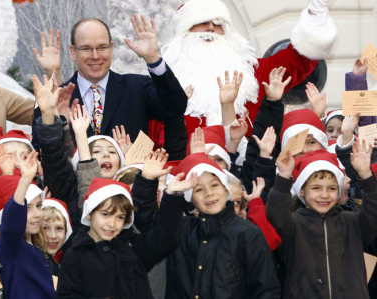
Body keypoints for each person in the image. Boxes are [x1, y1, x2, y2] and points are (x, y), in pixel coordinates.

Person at [162, 0, 337, 134]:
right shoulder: (164, 81)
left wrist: (316, 11)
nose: (211, 28)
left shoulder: (252, 73)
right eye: (202, 22)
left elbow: (298, 59)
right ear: (185, 31)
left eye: (217, 24)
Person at [31, 14, 188, 148]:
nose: (95, 56)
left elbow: (175, 107)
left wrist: (152, 58)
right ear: (73, 52)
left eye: (102, 47)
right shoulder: (54, 99)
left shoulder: (137, 87)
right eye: (86, 48)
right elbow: (41, 151)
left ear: (111, 48)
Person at [56, 150, 182, 299]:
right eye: (105, 214)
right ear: (90, 212)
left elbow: (167, 237)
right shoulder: (75, 255)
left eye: (120, 217)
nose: (112, 224)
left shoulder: (134, 247)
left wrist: (171, 195)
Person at [165, 153, 281, 298]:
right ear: (190, 199)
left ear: (226, 190)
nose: (209, 193)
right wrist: (170, 194)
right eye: (198, 189)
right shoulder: (181, 230)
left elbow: (267, 290)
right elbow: (149, 224)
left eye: (215, 185)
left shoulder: (248, 234)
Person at [267, 145, 377, 298]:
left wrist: (366, 175)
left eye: (332, 188)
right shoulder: (293, 225)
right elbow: (275, 213)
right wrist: (284, 177)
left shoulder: (352, 222)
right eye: (316, 188)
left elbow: (373, 211)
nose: (324, 195)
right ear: (302, 191)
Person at [0, 151, 55, 299]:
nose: (37, 213)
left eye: (38, 206)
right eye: (27, 208)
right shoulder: (9, 245)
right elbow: (12, 224)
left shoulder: (34, 246)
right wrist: (24, 180)